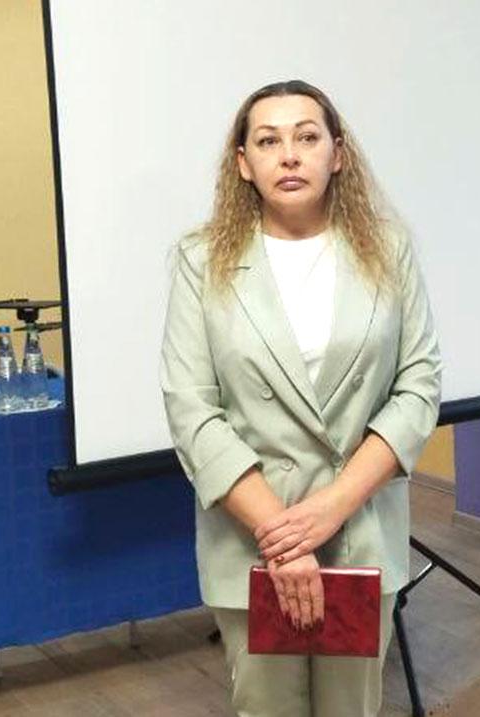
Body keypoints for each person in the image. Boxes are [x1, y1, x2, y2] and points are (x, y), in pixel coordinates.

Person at [159, 79, 442, 717]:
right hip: (253, 542)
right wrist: (282, 538)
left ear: (337, 153)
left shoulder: (387, 250)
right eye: (268, 141)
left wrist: (331, 509)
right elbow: (192, 409)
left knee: (351, 710)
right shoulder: (201, 260)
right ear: (243, 163)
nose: (289, 155)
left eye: (307, 137)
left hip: (359, 531)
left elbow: (418, 384)